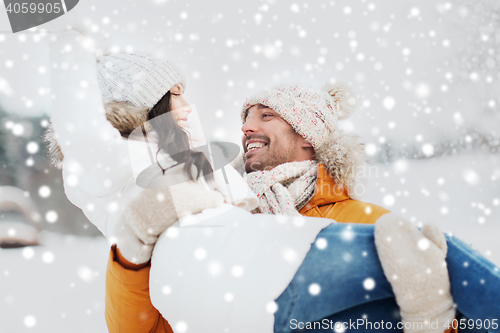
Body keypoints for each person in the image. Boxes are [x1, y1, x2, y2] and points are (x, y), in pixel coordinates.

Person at [47, 31, 500, 333]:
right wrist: (129, 252)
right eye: (244, 117)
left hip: (286, 278)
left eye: (266, 116)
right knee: (440, 259)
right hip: (258, 284)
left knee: (438, 267)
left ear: (307, 137)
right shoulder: (192, 190)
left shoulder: (362, 220)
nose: (245, 127)